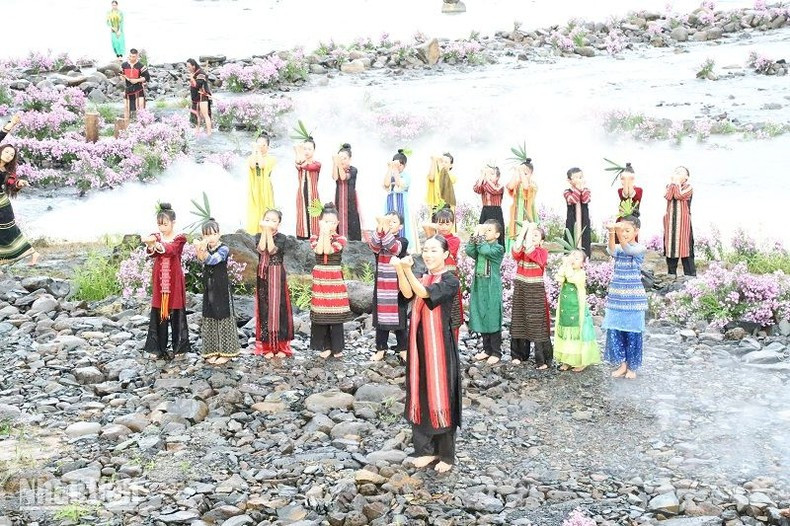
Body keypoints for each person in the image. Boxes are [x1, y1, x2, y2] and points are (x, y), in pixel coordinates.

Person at [391, 236, 461, 474]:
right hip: (419, 345)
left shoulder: (450, 280)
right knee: (418, 390)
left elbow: (423, 293)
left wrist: (408, 269)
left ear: (445, 254)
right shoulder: (423, 276)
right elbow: (407, 292)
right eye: (426, 250)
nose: (428, 254)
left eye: (433, 250)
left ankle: (446, 455)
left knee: (441, 393)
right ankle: (424, 450)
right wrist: (401, 270)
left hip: (439, 346)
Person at [602, 216, 647, 379]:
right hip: (616, 298)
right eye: (623, 231)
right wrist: (611, 232)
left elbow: (628, 249)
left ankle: (632, 367)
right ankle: (622, 365)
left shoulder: (640, 248)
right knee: (616, 331)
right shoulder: (619, 248)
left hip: (634, 300)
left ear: (636, 231)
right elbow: (611, 250)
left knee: (633, 333)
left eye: (627, 231)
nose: (625, 234)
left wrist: (618, 231)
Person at [143, 203, 189, 359]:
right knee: (158, 312)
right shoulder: (156, 236)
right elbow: (153, 252)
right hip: (160, 280)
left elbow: (172, 250)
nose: (162, 228)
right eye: (159, 224)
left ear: (173, 223)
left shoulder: (180, 238)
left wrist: (156, 244)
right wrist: (151, 244)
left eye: (165, 224)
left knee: (176, 312)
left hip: (174, 280)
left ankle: (180, 349)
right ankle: (156, 348)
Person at [194, 219, 240, 365]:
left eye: (214, 234)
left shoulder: (224, 248)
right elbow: (201, 260)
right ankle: (212, 350)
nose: (211, 238)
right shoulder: (205, 246)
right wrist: (200, 249)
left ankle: (227, 352)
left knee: (223, 315)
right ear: (203, 235)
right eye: (207, 235)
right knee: (210, 315)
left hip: (221, 287)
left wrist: (202, 249)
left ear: (219, 234)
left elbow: (213, 260)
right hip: (209, 287)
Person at [310, 203, 352, 359]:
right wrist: (323, 233)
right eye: (326, 222)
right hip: (320, 277)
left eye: (333, 222)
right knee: (322, 314)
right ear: (320, 222)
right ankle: (325, 346)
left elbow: (328, 250)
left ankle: (337, 347)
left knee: (335, 314)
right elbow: (319, 250)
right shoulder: (314, 237)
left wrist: (326, 233)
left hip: (334, 278)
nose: (330, 225)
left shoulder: (341, 238)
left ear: (338, 223)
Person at [510, 222, 553, 369]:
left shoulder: (542, 252)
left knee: (537, 323)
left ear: (541, 241)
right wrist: (523, 231)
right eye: (531, 234)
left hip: (535, 291)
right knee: (519, 318)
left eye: (535, 235)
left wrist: (529, 230)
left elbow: (530, 250)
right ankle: (518, 354)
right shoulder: (522, 250)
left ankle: (542, 359)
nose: (532, 236)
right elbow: (516, 249)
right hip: (521, 288)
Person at [369, 211, 409, 362]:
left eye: (392, 222)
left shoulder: (403, 241)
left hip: (398, 286)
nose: (389, 224)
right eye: (387, 221)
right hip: (381, 286)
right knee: (381, 320)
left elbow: (393, 248)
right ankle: (381, 348)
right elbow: (374, 245)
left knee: (400, 318)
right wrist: (380, 227)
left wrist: (383, 226)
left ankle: (403, 348)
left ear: (400, 226)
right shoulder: (380, 240)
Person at [254, 209, 294, 358]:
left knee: (279, 307)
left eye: (274, 221)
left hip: (277, 275)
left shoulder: (282, 238)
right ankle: (268, 347)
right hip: (263, 276)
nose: (270, 223)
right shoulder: (258, 236)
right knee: (265, 308)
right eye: (267, 219)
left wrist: (268, 231)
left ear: (279, 224)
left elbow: (271, 250)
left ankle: (282, 347)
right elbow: (261, 248)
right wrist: (264, 232)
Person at [554, 250, 600, 372]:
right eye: (571, 257)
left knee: (578, 334)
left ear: (583, 264)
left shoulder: (580, 274)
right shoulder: (566, 270)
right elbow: (558, 278)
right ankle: (567, 361)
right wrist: (564, 266)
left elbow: (571, 278)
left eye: (577, 258)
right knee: (565, 333)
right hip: (565, 309)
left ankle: (581, 361)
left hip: (577, 310)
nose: (573, 260)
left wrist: (568, 266)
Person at [466, 220, 505, 365]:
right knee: (481, 313)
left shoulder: (498, 249)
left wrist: (480, 236)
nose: (485, 232)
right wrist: (475, 235)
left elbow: (484, 251)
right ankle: (487, 349)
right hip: (479, 285)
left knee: (492, 316)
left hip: (491, 287)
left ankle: (496, 351)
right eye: (485, 230)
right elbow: (470, 251)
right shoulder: (481, 244)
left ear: (497, 234)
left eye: (489, 230)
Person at [423, 207, 462, 343]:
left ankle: (453, 347)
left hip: (449, 281)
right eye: (440, 223)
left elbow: (445, 247)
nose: (444, 227)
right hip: (436, 281)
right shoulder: (433, 239)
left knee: (454, 315)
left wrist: (431, 233)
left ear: (453, 224)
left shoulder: (454, 240)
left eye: (447, 223)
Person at [0, 143, 40, 265]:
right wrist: (11, 123)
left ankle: (33, 253)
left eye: (12, 155)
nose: (8, 156)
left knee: (10, 233)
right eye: (6, 152)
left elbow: (12, 183)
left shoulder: (7, 172)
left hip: (2, 206)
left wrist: (19, 184)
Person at [663, 166, 696, 277]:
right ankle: (671, 275)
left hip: (684, 224)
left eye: (681, 172)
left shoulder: (689, 187)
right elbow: (668, 196)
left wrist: (676, 183)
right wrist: (673, 184)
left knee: (686, 249)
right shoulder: (669, 186)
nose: (677, 173)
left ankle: (690, 276)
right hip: (671, 224)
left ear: (686, 177)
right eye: (676, 171)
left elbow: (678, 195)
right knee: (671, 249)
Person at [384, 149, 415, 250]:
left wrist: (396, 170)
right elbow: (386, 184)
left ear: (404, 165)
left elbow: (399, 184)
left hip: (402, 201)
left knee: (403, 223)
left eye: (400, 165)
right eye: (396, 164)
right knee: (389, 222)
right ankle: (388, 244)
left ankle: (404, 247)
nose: (398, 166)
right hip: (390, 201)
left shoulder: (406, 176)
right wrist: (390, 168)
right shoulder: (390, 173)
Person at [247, 135, 276, 234]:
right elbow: (252, 165)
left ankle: (267, 233)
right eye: (258, 144)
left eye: (263, 145)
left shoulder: (271, 159)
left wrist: (258, 151)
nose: (260, 147)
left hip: (265, 189)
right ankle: (253, 233)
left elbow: (261, 165)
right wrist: (254, 150)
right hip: (254, 188)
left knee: (266, 211)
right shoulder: (252, 157)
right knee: (254, 211)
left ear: (267, 147)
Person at [506, 159, 538, 251]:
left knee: (528, 235)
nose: (522, 175)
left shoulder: (533, 185)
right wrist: (516, 172)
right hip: (516, 216)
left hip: (528, 215)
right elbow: (510, 186)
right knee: (514, 234)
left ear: (531, 174)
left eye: (526, 173)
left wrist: (521, 171)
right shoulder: (517, 184)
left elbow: (526, 187)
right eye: (521, 173)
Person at [332, 143, 361, 241]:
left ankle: (354, 242)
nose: (342, 161)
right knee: (338, 218)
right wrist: (334, 164)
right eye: (340, 158)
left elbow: (344, 177)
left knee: (352, 220)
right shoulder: (337, 168)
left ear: (350, 159)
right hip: (339, 200)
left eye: (344, 158)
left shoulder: (353, 170)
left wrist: (338, 164)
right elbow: (335, 177)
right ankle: (339, 241)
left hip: (350, 200)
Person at [294, 136, 321, 240]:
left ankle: (315, 237)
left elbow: (307, 166)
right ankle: (301, 237)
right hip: (301, 194)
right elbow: (299, 164)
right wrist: (298, 151)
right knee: (301, 215)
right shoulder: (299, 162)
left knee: (314, 216)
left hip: (313, 195)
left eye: (310, 149)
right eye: (305, 148)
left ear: (314, 150)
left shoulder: (317, 164)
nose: (307, 151)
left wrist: (298, 150)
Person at [473, 165, 505, 247]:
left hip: (496, 211)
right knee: (482, 229)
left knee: (497, 231)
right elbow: (476, 189)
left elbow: (494, 190)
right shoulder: (484, 185)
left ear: (498, 177)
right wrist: (482, 175)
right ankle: (478, 248)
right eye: (488, 173)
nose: (489, 176)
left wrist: (486, 177)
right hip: (485, 210)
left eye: (492, 174)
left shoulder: (500, 185)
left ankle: (499, 250)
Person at [564, 167, 591, 258]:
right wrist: (578, 189)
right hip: (572, 220)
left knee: (585, 239)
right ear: (569, 180)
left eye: (581, 177)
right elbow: (573, 199)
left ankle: (585, 260)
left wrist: (581, 189)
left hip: (584, 219)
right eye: (576, 177)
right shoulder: (567, 192)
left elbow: (585, 200)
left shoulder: (586, 190)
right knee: (570, 237)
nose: (580, 179)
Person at [121, 48, 150, 120]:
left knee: (140, 108)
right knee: (126, 107)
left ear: (137, 56)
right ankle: (126, 125)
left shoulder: (141, 66)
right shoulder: (124, 65)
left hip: (138, 89)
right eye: (130, 56)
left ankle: (142, 124)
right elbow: (121, 74)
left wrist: (137, 80)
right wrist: (123, 77)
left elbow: (147, 77)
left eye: (133, 56)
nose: (131, 58)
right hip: (128, 89)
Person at [616, 163, 642, 242]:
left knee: (631, 242)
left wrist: (628, 180)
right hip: (622, 219)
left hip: (632, 221)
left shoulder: (639, 190)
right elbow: (625, 194)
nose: (625, 181)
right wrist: (627, 179)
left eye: (630, 179)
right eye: (622, 178)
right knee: (619, 241)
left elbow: (631, 194)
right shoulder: (620, 190)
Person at [186, 58, 212, 135]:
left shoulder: (201, 73)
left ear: (193, 66)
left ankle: (209, 133)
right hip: (197, 98)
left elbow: (197, 85)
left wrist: (191, 78)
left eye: (189, 67)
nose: (188, 69)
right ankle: (197, 132)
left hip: (202, 97)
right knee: (198, 116)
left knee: (205, 115)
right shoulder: (195, 73)